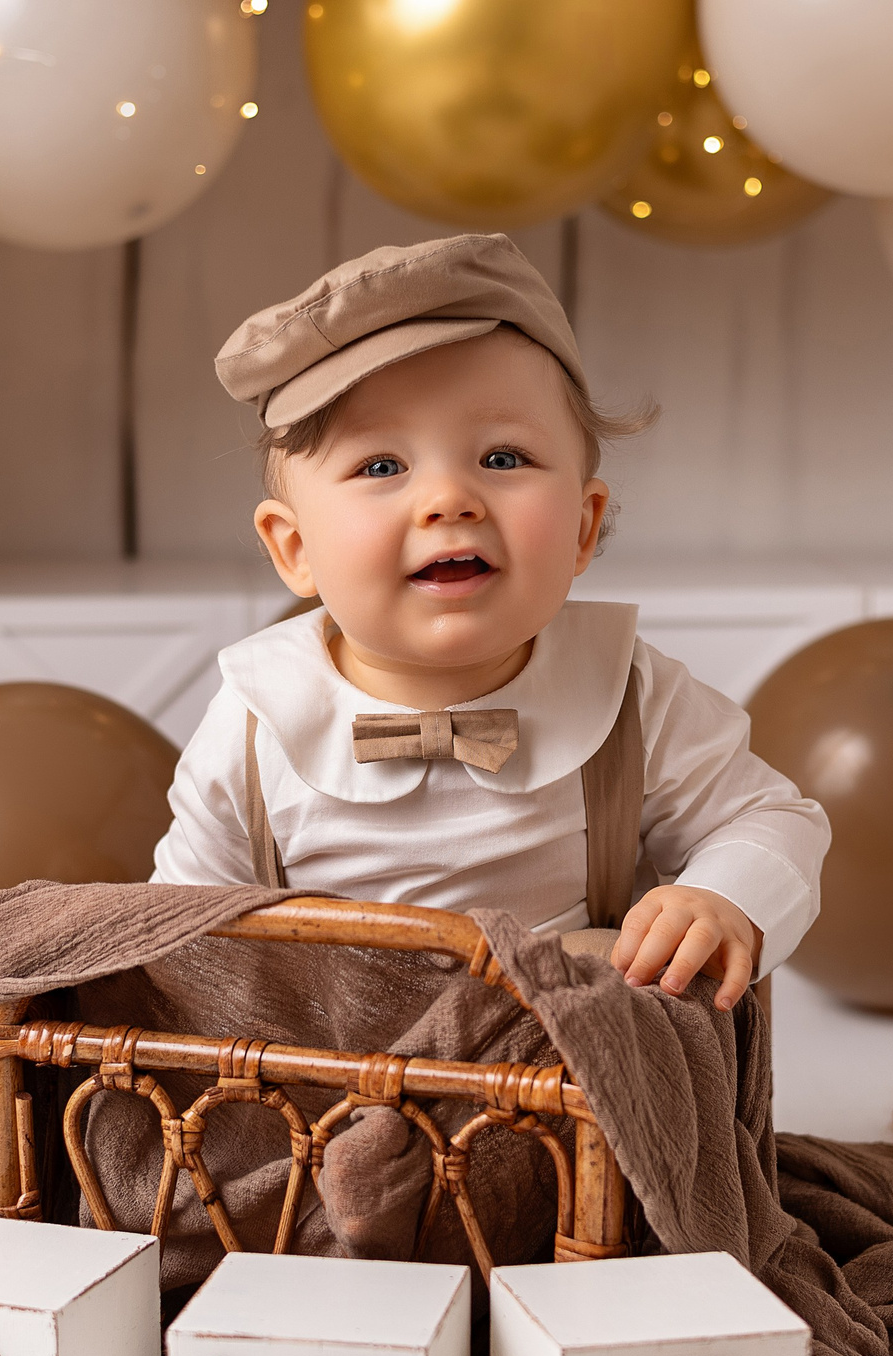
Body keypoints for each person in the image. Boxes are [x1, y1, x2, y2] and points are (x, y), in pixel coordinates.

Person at [150, 233, 827, 1013]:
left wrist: (720, 895)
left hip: (563, 1071)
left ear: (582, 525)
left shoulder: (626, 693)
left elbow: (771, 817)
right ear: (294, 548)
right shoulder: (254, 722)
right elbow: (182, 938)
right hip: (331, 1078)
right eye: (381, 466)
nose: (449, 498)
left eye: (502, 458)